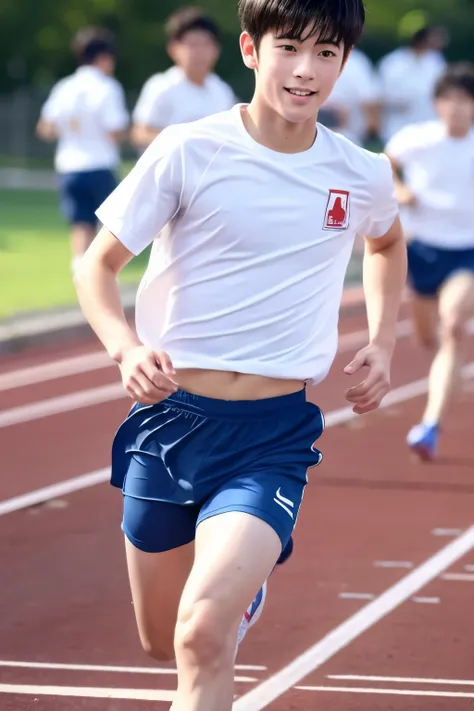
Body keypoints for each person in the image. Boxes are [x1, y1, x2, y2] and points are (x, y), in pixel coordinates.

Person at [74, 0, 407, 708]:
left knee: (201, 635)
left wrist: (381, 342)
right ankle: (236, 598)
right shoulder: (190, 148)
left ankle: (229, 599)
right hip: (170, 424)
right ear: (252, 51)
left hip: (270, 435)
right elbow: (95, 266)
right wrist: (124, 345)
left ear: (344, 63)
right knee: (162, 640)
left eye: (326, 54)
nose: (306, 70)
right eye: (290, 48)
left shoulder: (360, 170)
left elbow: (385, 240)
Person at [385, 63, 474, 461]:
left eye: (465, 101)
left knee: (454, 325)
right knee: (427, 338)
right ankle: (446, 369)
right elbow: (382, 166)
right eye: (450, 100)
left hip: (467, 251)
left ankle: (430, 425)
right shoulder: (416, 139)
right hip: (422, 249)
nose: (457, 109)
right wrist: (400, 190)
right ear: (438, 104)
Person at [36, 27, 129, 273]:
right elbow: (114, 131)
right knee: (108, 228)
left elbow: (45, 128)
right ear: (104, 57)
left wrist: (71, 127)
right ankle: (102, 277)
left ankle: (80, 272)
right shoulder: (107, 88)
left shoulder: (64, 87)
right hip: (100, 164)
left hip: (69, 166)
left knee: (80, 225)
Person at [131, 7, 236, 150]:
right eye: (192, 45)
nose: (200, 52)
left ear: (217, 49)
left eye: (206, 44)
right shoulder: (161, 86)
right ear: (173, 49)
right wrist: (185, 142)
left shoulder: (222, 90)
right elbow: (140, 134)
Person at [378, 25, 448, 142]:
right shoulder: (393, 62)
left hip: (429, 129)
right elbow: (381, 96)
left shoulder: (436, 61)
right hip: (397, 129)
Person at [320, 47, 381, 145]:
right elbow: (368, 99)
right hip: (345, 132)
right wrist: (373, 128)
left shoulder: (316, 55)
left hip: (320, 127)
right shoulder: (356, 61)